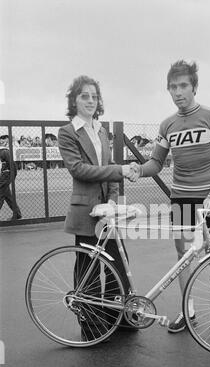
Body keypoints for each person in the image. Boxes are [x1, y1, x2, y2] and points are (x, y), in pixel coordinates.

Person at [127, 60, 210, 338]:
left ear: (194, 86)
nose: (178, 92)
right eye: (172, 87)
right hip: (182, 201)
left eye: (183, 85)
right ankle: (188, 312)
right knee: (183, 260)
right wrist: (139, 170)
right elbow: (156, 163)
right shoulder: (168, 124)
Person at [58, 75, 134, 340]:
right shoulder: (67, 132)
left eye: (94, 96)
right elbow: (79, 170)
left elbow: (109, 166)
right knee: (88, 266)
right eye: (84, 96)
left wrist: (113, 199)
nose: (90, 101)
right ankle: (92, 326)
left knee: (116, 263)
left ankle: (119, 318)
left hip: (107, 211)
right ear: (74, 100)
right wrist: (119, 170)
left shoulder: (101, 130)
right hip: (85, 211)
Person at [0, 147, 22, 220]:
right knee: (8, 196)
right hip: (5, 175)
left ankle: (17, 214)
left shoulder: (4, 152)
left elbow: (12, 165)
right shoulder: (4, 152)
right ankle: (17, 214)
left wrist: (12, 175)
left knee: (1, 194)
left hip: (5, 175)